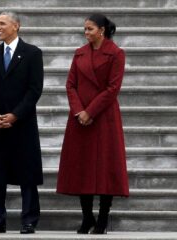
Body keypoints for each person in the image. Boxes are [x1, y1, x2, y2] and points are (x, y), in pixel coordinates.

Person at [56, 13, 129, 234]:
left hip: (104, 117)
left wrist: (90, 111)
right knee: (81, 167)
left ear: (102, 30)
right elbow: (70, 85)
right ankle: (87, 217)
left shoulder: (116, 53)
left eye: (90, 29)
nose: (86, 33)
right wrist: (79, 111)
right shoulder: (79, 54)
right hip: (80, 119)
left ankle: (103, 219)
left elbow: (112, 89)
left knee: (106, 168)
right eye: (85, 29)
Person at [0, 12, 43, 234]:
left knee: (27, 173)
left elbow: (34, 89)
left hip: (22, 123)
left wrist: (15, 115)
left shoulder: (32, 53)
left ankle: (29, 220)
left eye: (2, 24)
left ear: (16, 26)